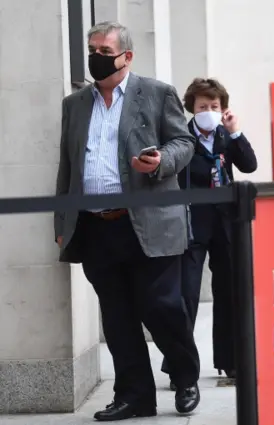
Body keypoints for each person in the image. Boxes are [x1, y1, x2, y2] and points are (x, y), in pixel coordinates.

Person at [54, 21, 200, 421]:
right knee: (116, 316)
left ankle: (185, 376)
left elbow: (184, 142)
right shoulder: (75, 104)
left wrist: (160, 163)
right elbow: (68, 166)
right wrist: (61, 224)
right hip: (96, 225)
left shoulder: (156, 93)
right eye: (91, 49)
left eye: (104, 50)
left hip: (150, 222)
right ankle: (135, 396)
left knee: (160, 306)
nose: (95, 57)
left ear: (127, 56)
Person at [160, 78, 257, 387]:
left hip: (226, 224)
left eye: (214, 106)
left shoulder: (225, 137)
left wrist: (234, 132)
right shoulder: (181, 137)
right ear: (192, 108)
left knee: (229, 292)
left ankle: (230, 362)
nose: (209, 111)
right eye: (203, 106)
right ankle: (180, 368)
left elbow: (250, 165)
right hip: (191, 223)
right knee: (185, 294)